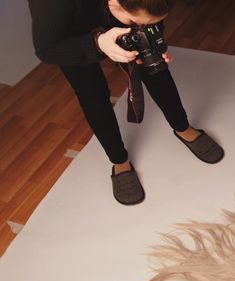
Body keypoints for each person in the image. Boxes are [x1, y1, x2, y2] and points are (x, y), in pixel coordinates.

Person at [28, 0, 224, 205]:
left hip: (116, 10)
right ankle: (119, 160)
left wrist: (154, 40)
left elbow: (149, 14)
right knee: (92, 93)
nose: (140, 27)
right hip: (68, 31)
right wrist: (98, 43)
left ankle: (182, 127)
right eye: (134, 21)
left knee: (154, 67)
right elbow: (47, 49)